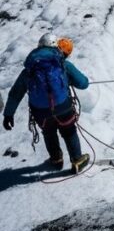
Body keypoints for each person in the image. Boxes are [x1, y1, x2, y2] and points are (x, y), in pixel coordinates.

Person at [3, 34, 91, 173]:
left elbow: (15, 93)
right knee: (69, 131)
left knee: (49, 133)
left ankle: (56, 160)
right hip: (63, 107)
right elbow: (83, 83)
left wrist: (8, 114)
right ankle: (77, 160)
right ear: (55, 46)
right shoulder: (63, 64)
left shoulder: (29, 69)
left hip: (41, 112)